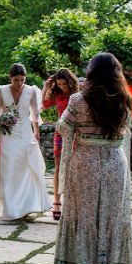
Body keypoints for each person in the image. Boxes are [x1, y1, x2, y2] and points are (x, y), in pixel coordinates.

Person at [53, 52, 132, 264]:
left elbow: (63, 127)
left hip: (85, 162)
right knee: (111, 219)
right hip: (115, 164)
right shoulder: (125, 99)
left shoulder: (78, 100)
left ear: (91, 73)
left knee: (84, 218)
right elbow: (124, 133)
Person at [0, 63, 51, 220]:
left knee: (27, 167)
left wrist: (36, 132)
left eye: (22, 80)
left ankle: (27, 206)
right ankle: (10, 208)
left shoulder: (31, 91)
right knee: (9, 169)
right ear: (10, 78)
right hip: (7, 134)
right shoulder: (1, 90)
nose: (19, 83)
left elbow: (35, 112)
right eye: (16, 80)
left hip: (25, 132)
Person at [42, 68, 80, 220]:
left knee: (74, 168)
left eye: (65, 83)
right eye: (59, 84)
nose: (63, 86)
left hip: (76, 135)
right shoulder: (57, 95)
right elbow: (44, 104)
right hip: (60, 134)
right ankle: (57, 202)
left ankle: (72, 203)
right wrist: (46, 86)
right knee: (58, 168)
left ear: (70, 82)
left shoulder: (78, 95)